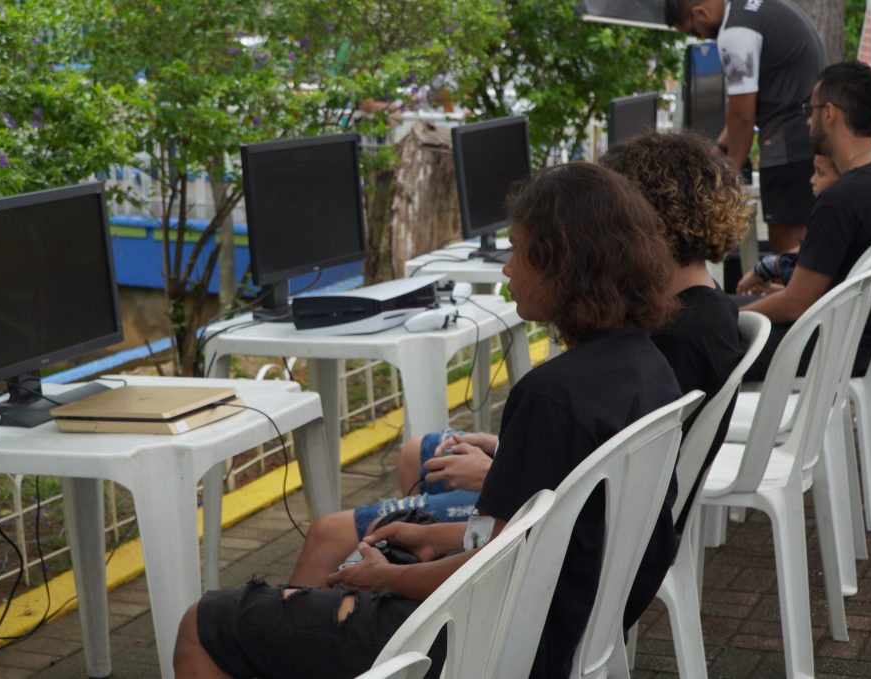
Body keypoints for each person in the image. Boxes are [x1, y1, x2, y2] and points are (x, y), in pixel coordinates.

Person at [173, 162, 683, 679]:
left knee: (204, 623)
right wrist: (436, 539)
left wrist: (386, 578)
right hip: (564, 629)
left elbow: (491, 572)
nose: (508, 269)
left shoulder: (551, 396)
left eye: (520, 252)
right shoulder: (650, 368)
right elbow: (534, 537)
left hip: (484, 647)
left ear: (564, 263)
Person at [284, 131, 750, 633]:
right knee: (422, 452)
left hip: (544, 586)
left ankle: (357, 629)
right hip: (580, 559)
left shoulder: (653, 348)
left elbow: (542, 518)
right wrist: (499, 470)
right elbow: (599, 448)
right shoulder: (670, 333)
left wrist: (494, 479)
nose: (509, 267)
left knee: (331, 532)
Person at [740, 60, 871, 381]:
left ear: (830, 113)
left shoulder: (841, 199)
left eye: (811, 110)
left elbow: (795, 304)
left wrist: (734, 317)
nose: (808, 120)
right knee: (718, 315)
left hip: (828, 350)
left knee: (698, 342)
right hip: (857, 338)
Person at [665, 0, 826, 254]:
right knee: (809, 241)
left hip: (789, 143)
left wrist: (726, 179)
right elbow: (739, 115)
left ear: (700, 12)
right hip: (810, 132)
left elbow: (742, 117)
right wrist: (717, 153)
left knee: (788, 247)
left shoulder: (735, 32)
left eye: (694, 31)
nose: (700, 38)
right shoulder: (751, 9)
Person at [736, 153, 841, 296]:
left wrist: (741, 312)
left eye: (820, 173)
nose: (812, 180)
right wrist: (774, 289)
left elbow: (801, 299)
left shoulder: (830, 222)